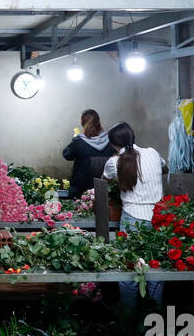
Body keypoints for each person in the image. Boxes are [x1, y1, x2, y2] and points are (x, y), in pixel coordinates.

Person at [102, 122, 167, 306]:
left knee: (129, 270)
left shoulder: (114, 162)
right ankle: (154, 316)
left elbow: (103, 182)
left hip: (132, 218)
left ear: (113, 144)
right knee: (156, 269)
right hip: (158, 218)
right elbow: (165, 168)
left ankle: (128, 318)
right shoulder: (153, 153)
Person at [61, 109, 111, 198]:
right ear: (98, 123)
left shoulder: (79, 141)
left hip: (79, 192)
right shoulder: (110, 141)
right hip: (103, 191)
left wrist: (75, 140)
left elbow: (66, 155)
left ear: (82, 123)